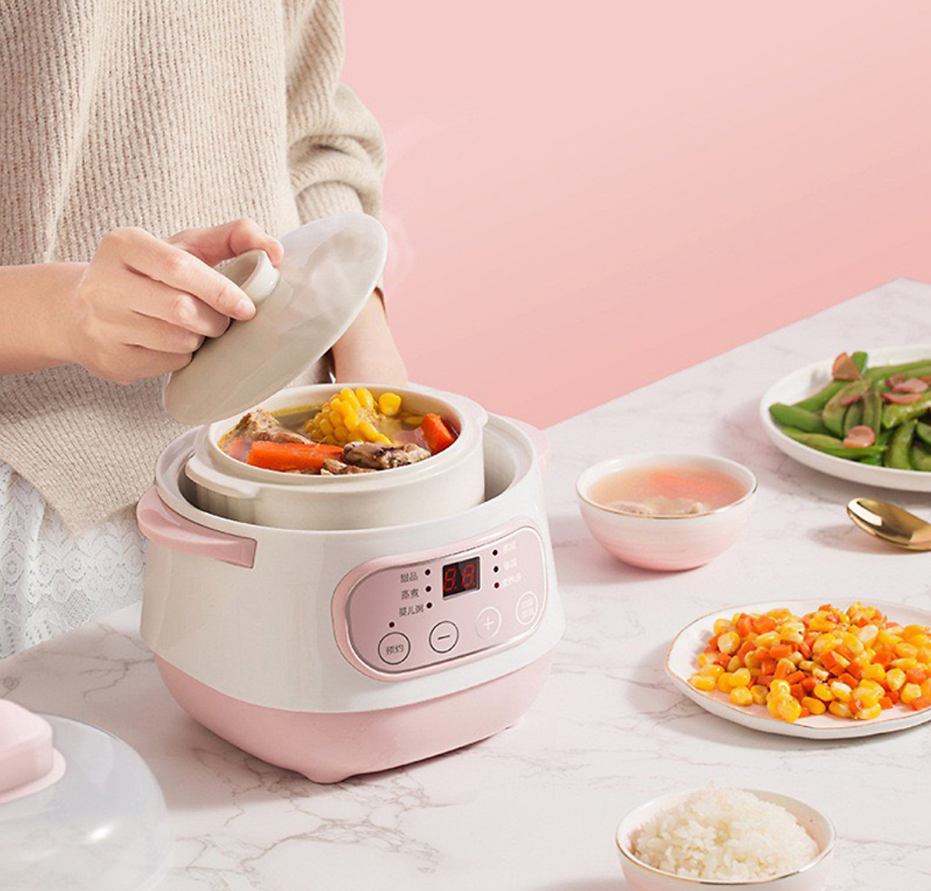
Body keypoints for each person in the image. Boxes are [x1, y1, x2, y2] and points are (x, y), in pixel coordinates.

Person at [0, 0, 406, 656]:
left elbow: (307, 124)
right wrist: (61, 311)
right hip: (47, 520)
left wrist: (365, 343)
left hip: (299, 463)